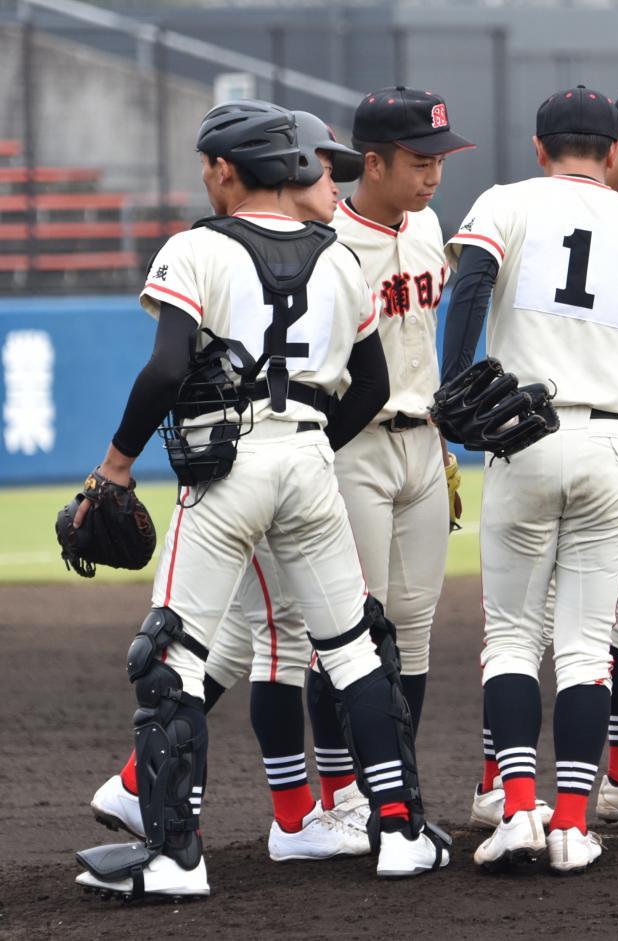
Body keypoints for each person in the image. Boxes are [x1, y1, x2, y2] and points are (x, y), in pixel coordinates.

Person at [74, 100, 449, 900]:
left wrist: (114, 466)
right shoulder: (342, 256)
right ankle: (402, 833)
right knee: (355, 648)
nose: (208, 175)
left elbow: (167, 368)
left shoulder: (195, 249)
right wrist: (308, 442)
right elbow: (374, 383)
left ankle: (176, 858)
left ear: (234, 169)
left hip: (225, 464)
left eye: (213, 164)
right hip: (313, 457)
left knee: (171, 658)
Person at [442, 85, 618, 873]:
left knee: (514, 639)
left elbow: (471, 287)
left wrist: (458, 383)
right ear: (614, 143)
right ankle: (572, 822)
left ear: (538, 146)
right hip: (612, 445)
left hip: (522, 435)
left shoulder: (505, 201)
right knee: (589, 648)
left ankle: (516, 809)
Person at [325, 85, 475, 744]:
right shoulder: (325, 238)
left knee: (414, 628)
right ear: (374, 162)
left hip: (423, 443)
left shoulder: (430, 227)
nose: (434, 174)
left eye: (440, 159)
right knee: (349, 624)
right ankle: (341, 795)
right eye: (420, 161)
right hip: (353, 444)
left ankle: (396, 785)